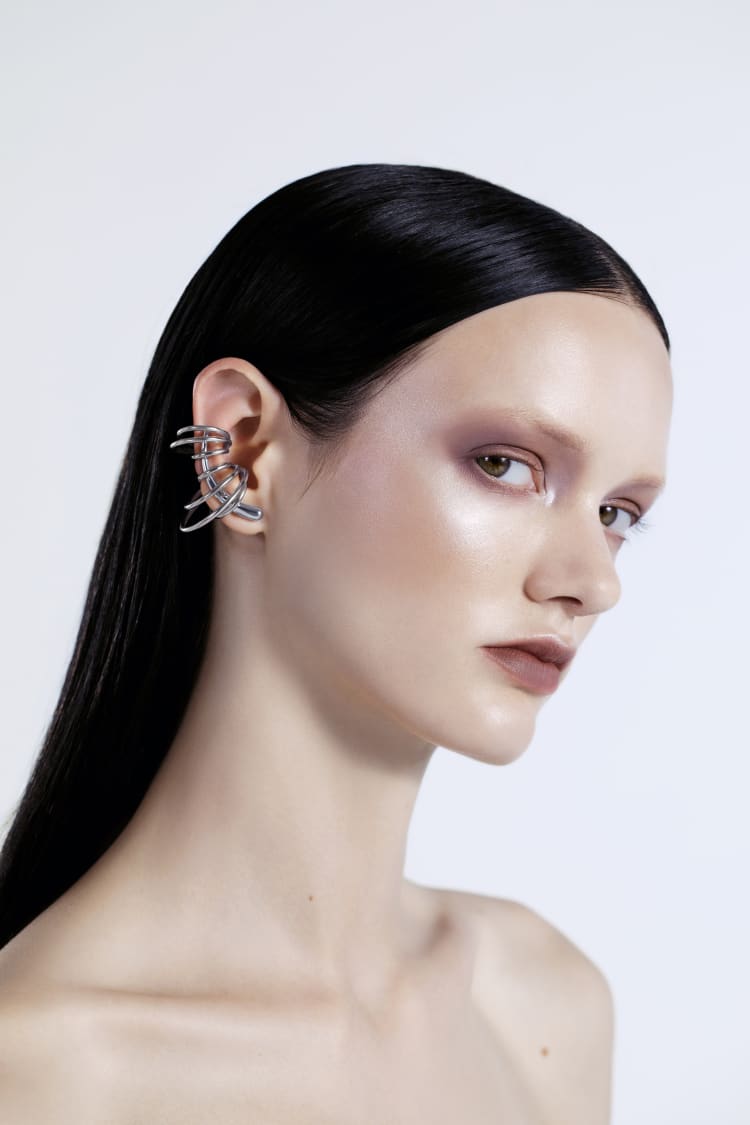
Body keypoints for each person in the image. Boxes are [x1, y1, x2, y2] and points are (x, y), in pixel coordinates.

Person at [0, 163, 672, 1123]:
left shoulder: (544, 1008)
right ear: (241, 451)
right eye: (505, 464)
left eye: (617, 513)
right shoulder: (37, 1072)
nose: (594, 581)